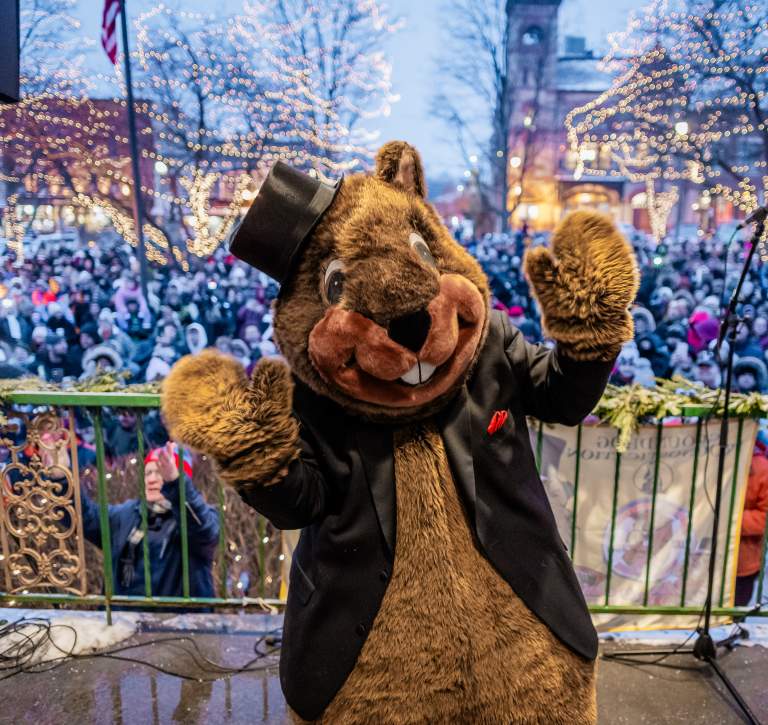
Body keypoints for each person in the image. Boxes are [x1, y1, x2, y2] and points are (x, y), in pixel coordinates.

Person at [735, 448, 768, 606]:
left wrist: (731, 520)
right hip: (703, 560)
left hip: (743, 562)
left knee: (733, 616)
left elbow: (764, 517)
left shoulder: (761, 468)